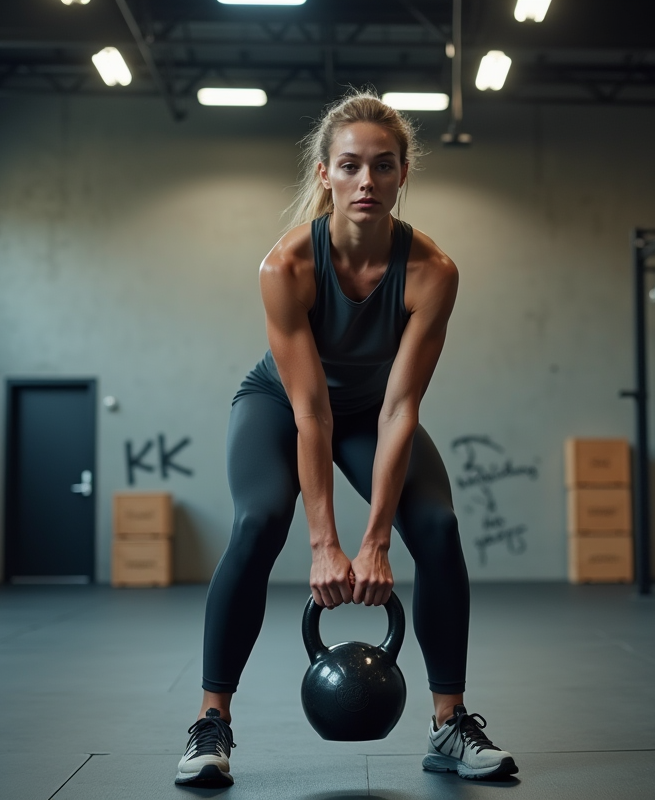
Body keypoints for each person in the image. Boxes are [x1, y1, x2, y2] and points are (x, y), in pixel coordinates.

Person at [175, 91, 518, 788]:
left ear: (402, 174)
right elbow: (310, 413)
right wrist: (328, 543)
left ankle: (448, 722)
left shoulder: (432, 273)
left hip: (373, 412)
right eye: (352, 166)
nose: (368, 181)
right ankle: (212, 723)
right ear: (325, 173)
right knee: (259, 519)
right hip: (281, 404)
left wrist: (377, 540)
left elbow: (399, 409)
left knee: (438, 524)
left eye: (383, 166)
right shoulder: (286, 267)